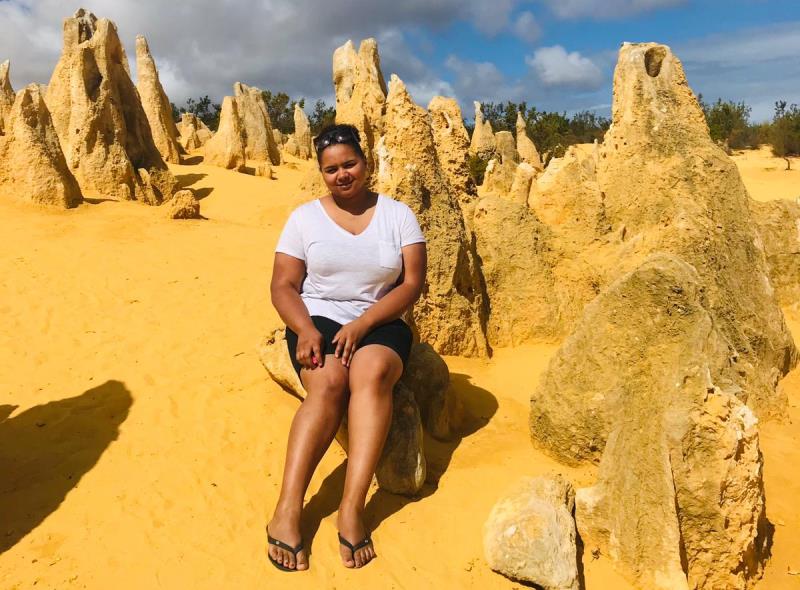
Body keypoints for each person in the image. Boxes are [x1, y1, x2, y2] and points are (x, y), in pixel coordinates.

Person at [266, 124, 427, 572]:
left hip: (381, 319)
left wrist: (364, 324)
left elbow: (411, 283)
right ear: (321, 173)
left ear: (365, 163)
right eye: (331, 169)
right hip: (317, 317)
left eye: (349, 164)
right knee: (330, 383)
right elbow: (283, 285)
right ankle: (287, 509)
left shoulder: (398, 216)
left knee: (371, 375)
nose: (342, 175)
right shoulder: (304, 219)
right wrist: (304, 329)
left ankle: (352, 507)